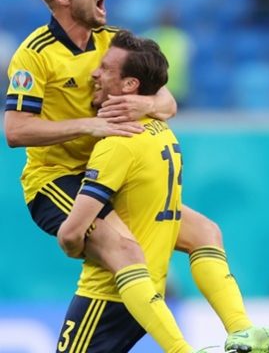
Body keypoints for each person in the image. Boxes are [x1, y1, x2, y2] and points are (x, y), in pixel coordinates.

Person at [3, 0, 269, 352]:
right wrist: (89, 125)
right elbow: (15, 130)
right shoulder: (34, 54)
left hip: (113, 172)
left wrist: (145, 104)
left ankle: (242, 332)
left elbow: (167, 102)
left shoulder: (113, 41)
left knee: (205, 232)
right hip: (58, 180)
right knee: (125, 250)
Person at [56, 29, 209, 352]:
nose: (94, 74)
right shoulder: (162, 131)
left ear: (130, 85)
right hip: (149, 289)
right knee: (207, 232)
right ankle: (240, 327)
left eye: (105, 68)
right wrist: (152, 102)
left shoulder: (116, 143)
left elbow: (71, 233)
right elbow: (167, 101)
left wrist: (73, 245)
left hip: (108, 292)